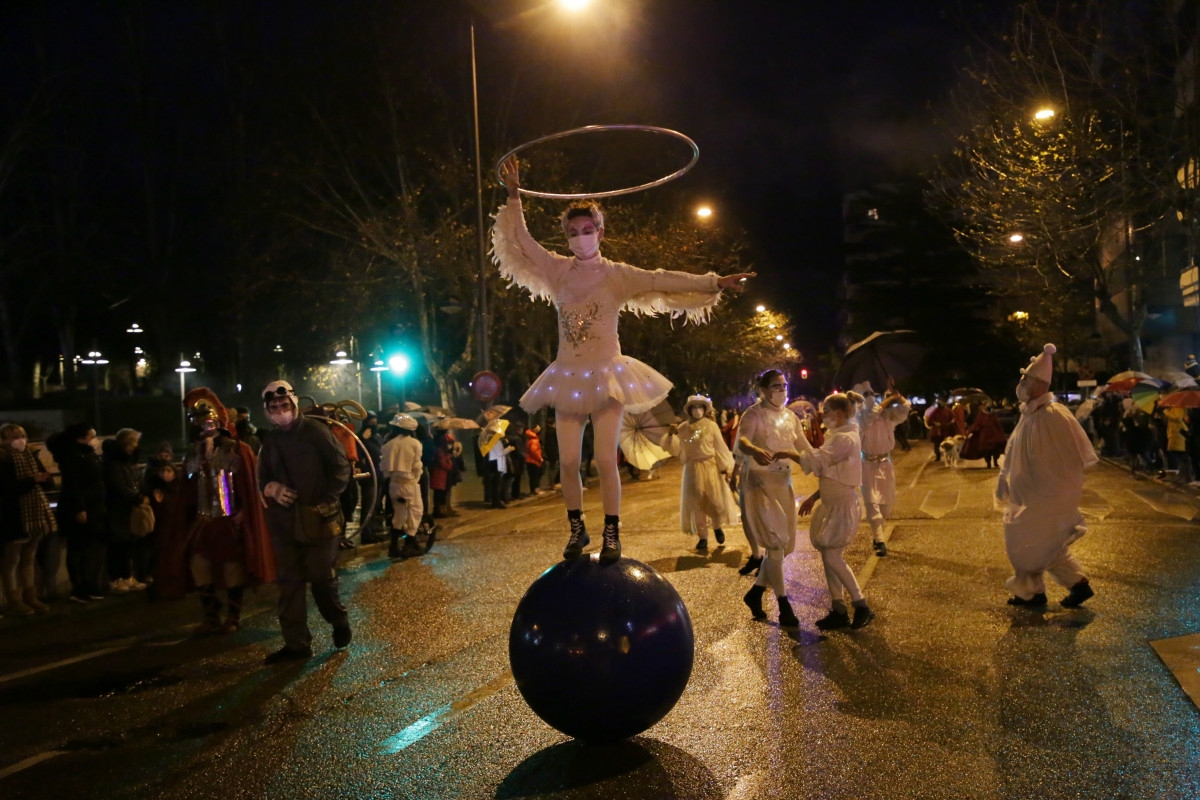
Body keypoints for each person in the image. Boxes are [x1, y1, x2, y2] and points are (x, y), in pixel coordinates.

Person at [492, 156, 754, 562]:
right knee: (567, 462)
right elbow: (522, 242)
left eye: (587, 230)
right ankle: (577, 529)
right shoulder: (557, 270)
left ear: (600, 231)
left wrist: (714, 281)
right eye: (574, 232)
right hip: (567, 377)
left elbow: (661, 278)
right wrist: (513, 195)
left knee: (603, 459)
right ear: (566, 236)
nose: (581, 237)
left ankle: (611, 533)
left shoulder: (617, 274)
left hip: (607, 376)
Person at [157, 389, 274, 635]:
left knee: (232, 570)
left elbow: (249, 487)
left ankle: (233, 615)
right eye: (201, 422)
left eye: (209, 421)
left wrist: (242, 514)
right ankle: (211, 615)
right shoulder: (194, 455)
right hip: (202, 521)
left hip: (229, 521)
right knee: (200, 568)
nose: (205, 426)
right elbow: (187, 490)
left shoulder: (238, 450)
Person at [995, 344, 1098, 609]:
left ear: (1039, 384)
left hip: (1044, 497)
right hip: (1028, 496)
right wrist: (1005, 477)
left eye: (1025, 379)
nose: (1021, 384)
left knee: (1033, 544)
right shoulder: (1031, 413)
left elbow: (1065, 459)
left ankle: (1034, 592)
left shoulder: (1053, 415)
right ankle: (1057, 588)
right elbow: (1015, 450)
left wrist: (1048, 492)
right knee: (1042, 545)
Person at [258, 380, 353, 663]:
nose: (280, 410)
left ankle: (338, 620)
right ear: (267, 410)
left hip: (319, 521)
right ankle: (296, 644)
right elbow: (261, 478)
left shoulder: (316, 432)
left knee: (321, 579)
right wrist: (272, 488)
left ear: (294, 404)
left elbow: (340, 467)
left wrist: (326, 500)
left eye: (284, 405)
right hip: (284, 522)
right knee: (289, 584)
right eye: (274, 406)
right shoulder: (270, 441)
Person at [782, 391, 875, 630]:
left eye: (828, 413)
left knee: (833, 555)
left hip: (842, 505)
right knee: (829, 555)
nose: (824, 418)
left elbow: (818, 461)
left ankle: (860, 604)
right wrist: (814, 497)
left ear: (841, 413)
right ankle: (838, 608)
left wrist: (788, 452)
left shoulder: (845, 439)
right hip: (833, 502)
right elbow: (832, 473)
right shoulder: (839, 435)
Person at [734, 370, 805, 628]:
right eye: (776, 386)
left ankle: (755, 593)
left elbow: (804, 447)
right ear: (763, 389)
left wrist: (826, 459)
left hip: (783, 483)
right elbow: (742, 440)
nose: (781, 390)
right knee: (775, 544)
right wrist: (754, 449)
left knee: (784, 548)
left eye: (784, 386)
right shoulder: (753, 414)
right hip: (760, 483)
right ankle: (784, 605)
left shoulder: (791, 417)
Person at [660, 394, 739, 552]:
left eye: (700, 407)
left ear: (704, 409)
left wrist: (726, 468)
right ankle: (703, 537)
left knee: (715, 501)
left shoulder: (711, 426)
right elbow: (672, 448)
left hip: (711, 467)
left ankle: (716, 527)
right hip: (692, 469)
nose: (697, 410)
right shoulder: (682, 428)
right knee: (697, 504)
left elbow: (720, 447)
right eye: (694, 407)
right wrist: (670, 434)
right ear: (689, 410)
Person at [47, 423, 107, 603]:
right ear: (82, 437)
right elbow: (73, 485)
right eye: (92, 435)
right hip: (80, 509)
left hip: (92, 506)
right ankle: (79, 588)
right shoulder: (72, 455)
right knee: (77, 548)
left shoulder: (85, 453)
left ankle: (89, 585)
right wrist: (80, 508)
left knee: (88, 548)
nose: (94, 439)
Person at [0, 424, 56, 613]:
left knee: (29, 558)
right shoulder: (3, 458)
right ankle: (14, 600)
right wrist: (32, 480)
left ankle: (30, 596)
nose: (20, 440)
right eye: (14, 437)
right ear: (4, 440)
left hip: (34, 514)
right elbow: (7, 489)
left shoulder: (31, 455)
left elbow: (46, 483)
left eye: (22, 436)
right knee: (11, 560)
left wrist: (44, 479)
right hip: (14, 515)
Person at [854, 380, 910, 557]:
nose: (870, 398)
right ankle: (879, 540)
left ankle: (877, 532)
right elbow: (870, 416)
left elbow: (905, 409)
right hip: (867, 465)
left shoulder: (886, 415)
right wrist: (888, 400)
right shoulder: (860, 418)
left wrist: (898, 396)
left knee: (885, 506)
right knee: (872, 504)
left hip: (885, 464)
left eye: (871, 394)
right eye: (866, 395)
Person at [102, 428, 149, 593]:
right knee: (118, 546)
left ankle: (127, 577)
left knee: (127, 545)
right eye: (134, 442)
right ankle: (117, 579)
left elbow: (134, 482)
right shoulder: (114, 463)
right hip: (117, 510)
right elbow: (118, 487)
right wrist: (137, 498)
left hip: (127, 509)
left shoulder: (127, 462)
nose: (136, 445)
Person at [379, 414, 426, 559]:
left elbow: (384, 468)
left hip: (394, 484)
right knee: (414, 512)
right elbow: (417, 467)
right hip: (409, 484)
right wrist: (416, 478)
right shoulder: (415, 444)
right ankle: (409, 545)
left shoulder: (388, 445)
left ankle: (393, 547)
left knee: (398, 514)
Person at [961, 400, 1007, 468]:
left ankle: (995, 462)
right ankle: (988, 463)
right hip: (984, 435)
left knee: (995, 449)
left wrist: (1001, 434)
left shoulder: (992, 414)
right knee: (986, 450)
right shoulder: (981, 415)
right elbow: (976, 424)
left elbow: (997, 424)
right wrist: (970, 432)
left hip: (993, 434)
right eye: (986, 405)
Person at [431, 432, 462, 517]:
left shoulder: (444, 451)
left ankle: (443, 509)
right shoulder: (440, 451)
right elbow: (445, 465)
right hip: (439, 478)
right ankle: (438, 511)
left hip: (443, 478)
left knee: (442, 495)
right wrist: (450, 462)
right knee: (439, 495)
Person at [926, 396, 956, 461]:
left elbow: (953, 418)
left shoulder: (948, 410)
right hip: (937, 430)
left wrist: (951, 422)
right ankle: (938, 456)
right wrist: (934, 423)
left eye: (941, 401)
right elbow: (930, 420)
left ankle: (949, 456)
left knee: (947, 443)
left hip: (946, 429)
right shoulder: (934, 411)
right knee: (937, 444)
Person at [524, 423, 545, 495]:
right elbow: (534, 451)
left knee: (532, 476)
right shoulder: (534, 440)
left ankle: (533, 490)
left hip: (529, 460)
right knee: (536, 476)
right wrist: (540, 458)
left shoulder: (530, 439)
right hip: (534, 460)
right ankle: (536, 490)